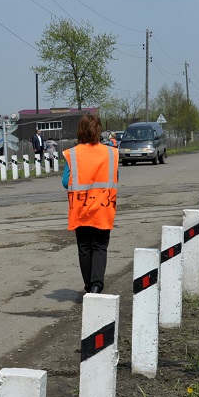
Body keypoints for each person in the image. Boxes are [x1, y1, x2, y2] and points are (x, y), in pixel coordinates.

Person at [61, 115, 118, 294]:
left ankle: (88, 286)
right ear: (98, 131)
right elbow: (115, 177)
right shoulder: (111, 152)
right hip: (103, 207)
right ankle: (96, 285)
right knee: (100, 246)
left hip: (80, 209)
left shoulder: (73, 154)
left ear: (80, 131)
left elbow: (65, 182)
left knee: (84, 248)